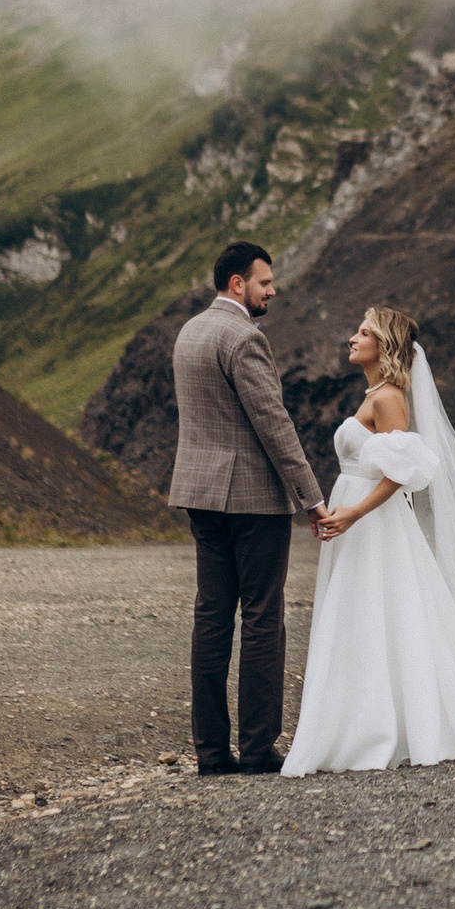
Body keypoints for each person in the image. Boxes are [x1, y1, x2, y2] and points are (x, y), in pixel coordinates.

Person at [281, 306, 455, 773]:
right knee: (366, 613)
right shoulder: (375, 393)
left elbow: (404, 471)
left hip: (373, 522)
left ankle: (390, 727)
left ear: (385, 346)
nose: (352, 339)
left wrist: (354, 512)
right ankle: (363, 722)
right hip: (357, 518)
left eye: (364, 333)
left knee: (386, 611)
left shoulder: (390, 397)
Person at [167, 240, 326, 777]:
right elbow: (273, 423)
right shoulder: (244, 338)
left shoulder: (190, 333)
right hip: (253, 500)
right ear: (238, 283)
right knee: (262, 618)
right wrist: (311, 495)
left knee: (211, 617)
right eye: (264, 282)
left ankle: (211, 753)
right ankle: (258, 748)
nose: (271, 290)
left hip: (199, 496)